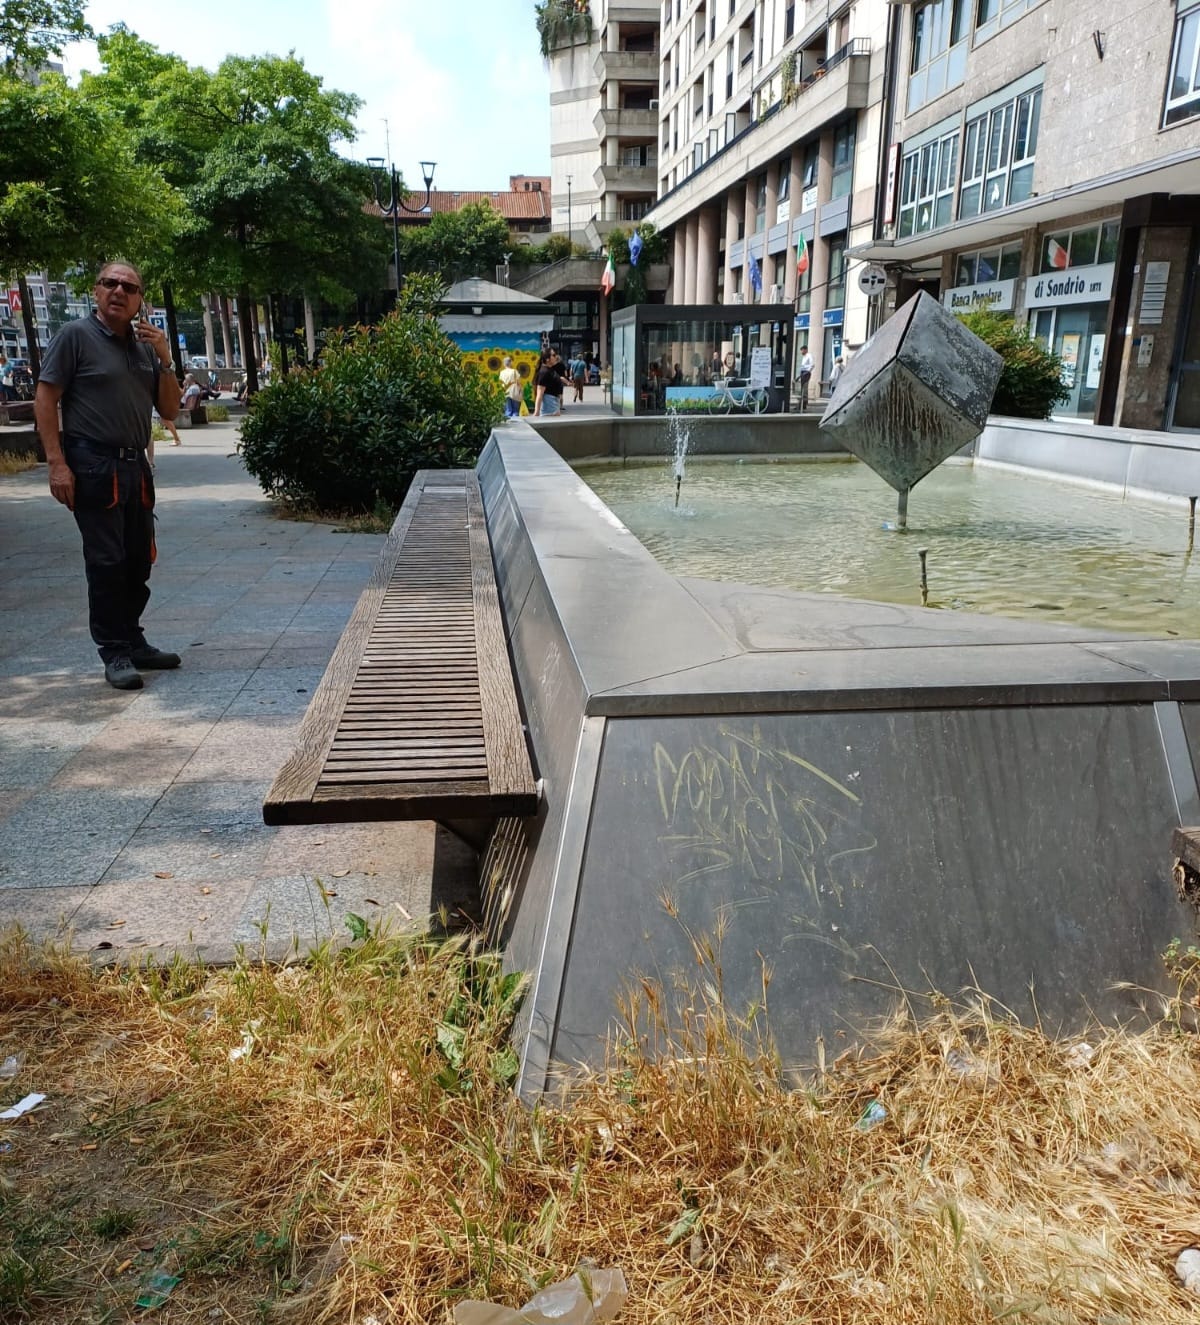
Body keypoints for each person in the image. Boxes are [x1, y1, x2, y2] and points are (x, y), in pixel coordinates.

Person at [34, 260, 183, 691]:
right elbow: (46, 400)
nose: (119, 291)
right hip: (92, 463)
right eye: (110, 283)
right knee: (106, 561)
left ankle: (133, 639)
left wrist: (166, 358)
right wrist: (57, 463)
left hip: (134, 465)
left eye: (129, 287)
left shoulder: (143, 348)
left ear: (140, 300)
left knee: (138, 558)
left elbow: (170, 410)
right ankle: (114, 650)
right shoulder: (75, 337)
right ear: (97, 291)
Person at [533, 348, 566, 416]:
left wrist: (560, 379)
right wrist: (536, 412)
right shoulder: (544, 372)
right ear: (547, 359)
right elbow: (539, 394)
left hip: (553, 405)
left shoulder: (549, 369)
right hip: (549, 406)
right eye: (553, 355)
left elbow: (550, 381)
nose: (556, 357)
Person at [498, 355, 522, 420]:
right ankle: (515, 424)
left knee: (508, 411)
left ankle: (508, 425)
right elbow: (519, 382)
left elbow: (501, 383)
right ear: (510, 362)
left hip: (505, 392)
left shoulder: (501, 372)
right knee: (515, 411)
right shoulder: (514, 371)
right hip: (514, 391)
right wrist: (520, 390)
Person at [796, 343, 815, 411]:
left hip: (806, 373)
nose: (801, 352)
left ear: (806, 350)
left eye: (802, 350)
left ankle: (803, 404)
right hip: (803, 373)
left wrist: (808, 371)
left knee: (804, 388)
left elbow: (812, 365)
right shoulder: (804, 357)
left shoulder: (809, 356)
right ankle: (802, 403)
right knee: (802, 389)